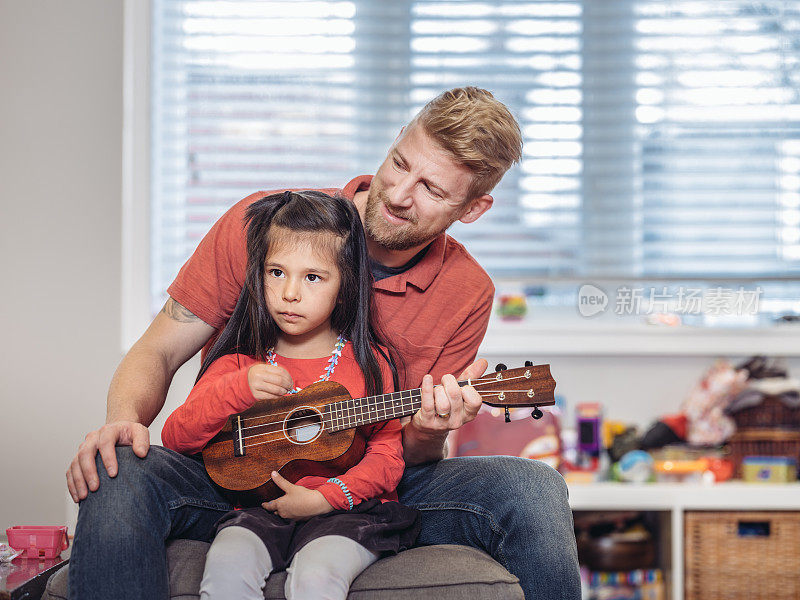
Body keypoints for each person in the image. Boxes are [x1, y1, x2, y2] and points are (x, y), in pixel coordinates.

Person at [67, 87, 581, 599]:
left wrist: (428, 429)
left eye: (432, 189)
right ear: (398, 137)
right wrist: (123, 421)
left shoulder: (467, 291)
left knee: (534, 489)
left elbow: (409, 451)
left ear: (473, 208)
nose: (399, 194)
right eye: (400, 163)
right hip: (231, 470)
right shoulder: (265, 226)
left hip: (364, 482)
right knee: (119, 470)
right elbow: (159, 350)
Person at [161, 190, 420, 600]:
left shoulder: (372, 364)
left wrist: (324, 499)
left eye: (312, 277)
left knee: (316, 577)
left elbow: (387, 457)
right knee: (227, 568)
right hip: (256, 511)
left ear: (345, 285)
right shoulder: (240, 364)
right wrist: (236, 391)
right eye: (276, 272)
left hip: (344, 513)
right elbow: (176, 437)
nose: (289, 293)